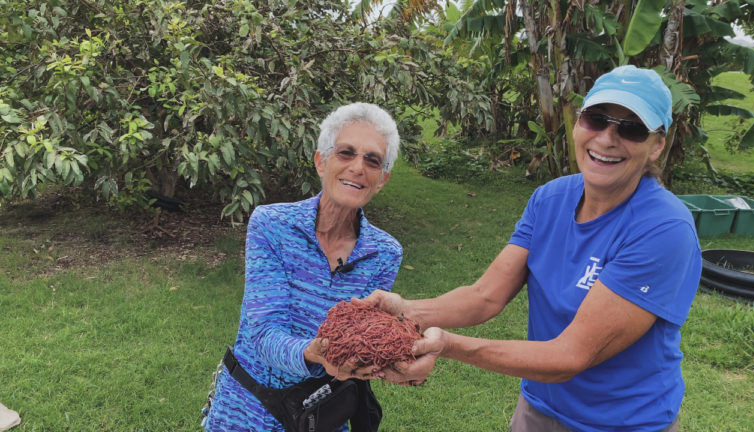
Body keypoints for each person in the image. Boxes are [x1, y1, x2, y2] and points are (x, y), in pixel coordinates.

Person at [363, 65, 702, 432]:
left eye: (631, 128)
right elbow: (485, 297)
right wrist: (407, 311)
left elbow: (571, 355)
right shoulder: (551, 199)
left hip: (624, 422)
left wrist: (446, 345)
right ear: (577, 123)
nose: (606, 139)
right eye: (596, 119)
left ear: (657, 146)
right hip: (539, 409)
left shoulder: (663, 229)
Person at [203, 102, 402, 432]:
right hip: (247, 409)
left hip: (321, 414)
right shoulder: (272, 225)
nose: (357, 167)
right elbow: (264, 332)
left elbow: (360, 338)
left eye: (372, 160)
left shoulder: (384, 253)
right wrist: (314, 353)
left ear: (381, 179)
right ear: (321, 162)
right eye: (346, 153)